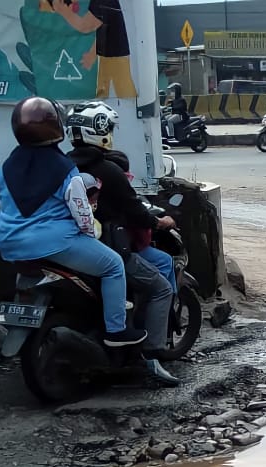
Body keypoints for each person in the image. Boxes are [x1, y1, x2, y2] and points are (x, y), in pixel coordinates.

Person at [0, 97, 146, 348]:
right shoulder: (64, 169)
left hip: (9, 243)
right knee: (113, 265)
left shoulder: (6, 167)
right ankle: (116, 331)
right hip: (53, 243)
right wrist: (90, 234)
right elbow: (82, 214)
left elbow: (4, 204)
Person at [66, 101, 181, 380]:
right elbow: (135, 212)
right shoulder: (109, 171)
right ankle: (151, 356)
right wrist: (159, 223)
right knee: (162, 289)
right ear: (101, 131)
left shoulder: (64, 167)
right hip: (110, 248)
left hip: (71, 246)